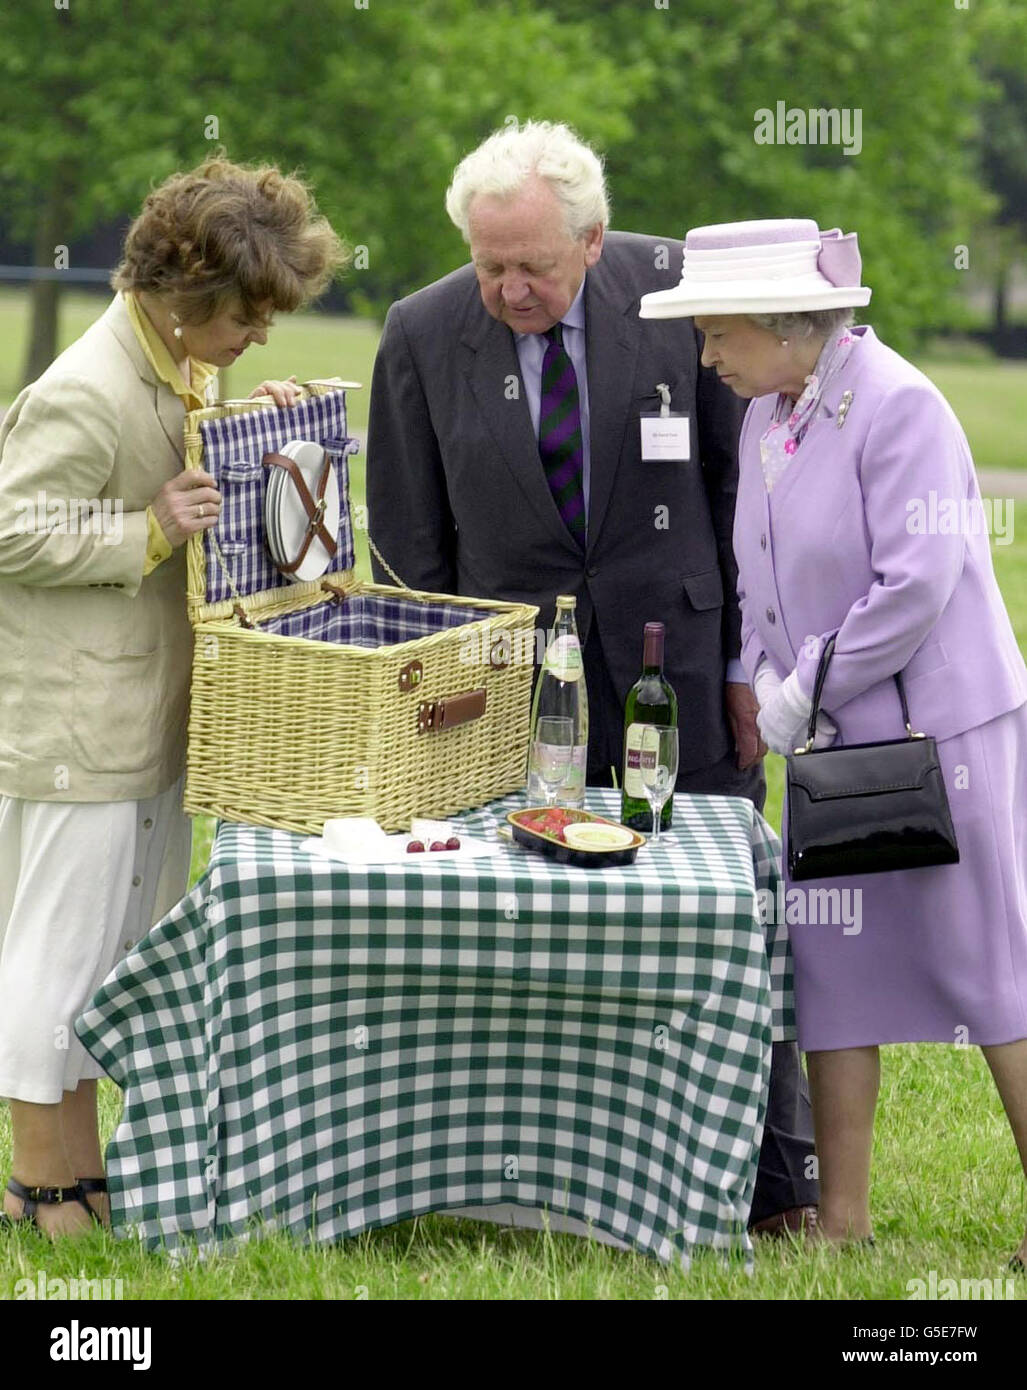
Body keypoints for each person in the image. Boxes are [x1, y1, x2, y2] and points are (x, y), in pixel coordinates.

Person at [367, 122, 819, 1234]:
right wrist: (436, 691)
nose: (510, 288)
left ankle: (774, 1178)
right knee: (512, 924)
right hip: (509, 686)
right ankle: (513, 1177)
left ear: (594, 241)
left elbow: (743, 500)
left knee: (728, 916)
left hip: (684, 669)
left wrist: (746, 667)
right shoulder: (420, 334)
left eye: (533, 265)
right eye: (489, 266)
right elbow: (409, 545)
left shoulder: (677, 297)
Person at [641, 216, 1027, 1261]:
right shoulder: (770, 410)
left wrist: (797, 690)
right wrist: (765, 683)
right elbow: (760, 581)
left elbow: (917, 584)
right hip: (828, 738)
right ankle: (842, 1218)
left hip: (937, 728)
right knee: (833, 969)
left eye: (717, 334)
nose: (707, 356)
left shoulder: (899, 404)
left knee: (990, 973)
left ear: (783, 323)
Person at [0, 156, 345, 1237]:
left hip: (144, 721)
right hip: (73, 730)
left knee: (113, 964)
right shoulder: (84, 389)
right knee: (56, 965)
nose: (259, 335)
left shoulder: (174, 361)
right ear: (188, 299)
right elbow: (10, 526)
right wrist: (146, 530)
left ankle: (70, 1176)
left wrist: (260, 417)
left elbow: (191, 464)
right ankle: (49, 1191)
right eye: (249, 318)